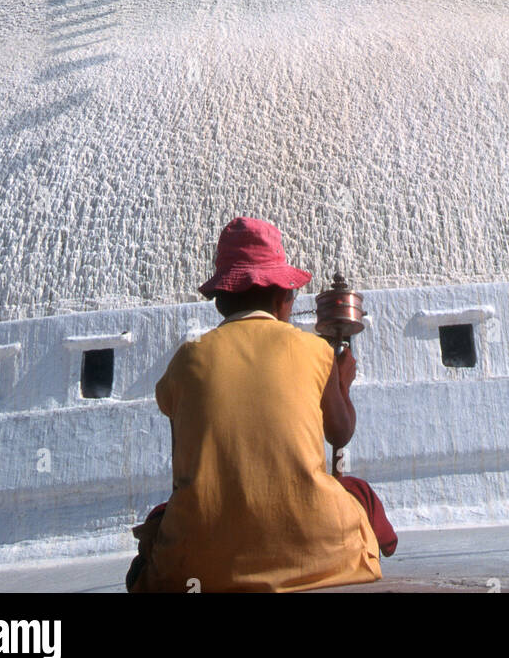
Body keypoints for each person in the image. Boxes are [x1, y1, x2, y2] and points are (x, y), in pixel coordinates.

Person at [127, 216, 397, 593]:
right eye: (290, 294)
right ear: (279, 298)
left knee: (163, 520)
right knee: (359, 494)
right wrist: (342, 382)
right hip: (315, 547)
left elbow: (182, 472)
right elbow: (341, 432)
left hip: (202, 565)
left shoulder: (187, 361)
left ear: (221, 301)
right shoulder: (315, 351)